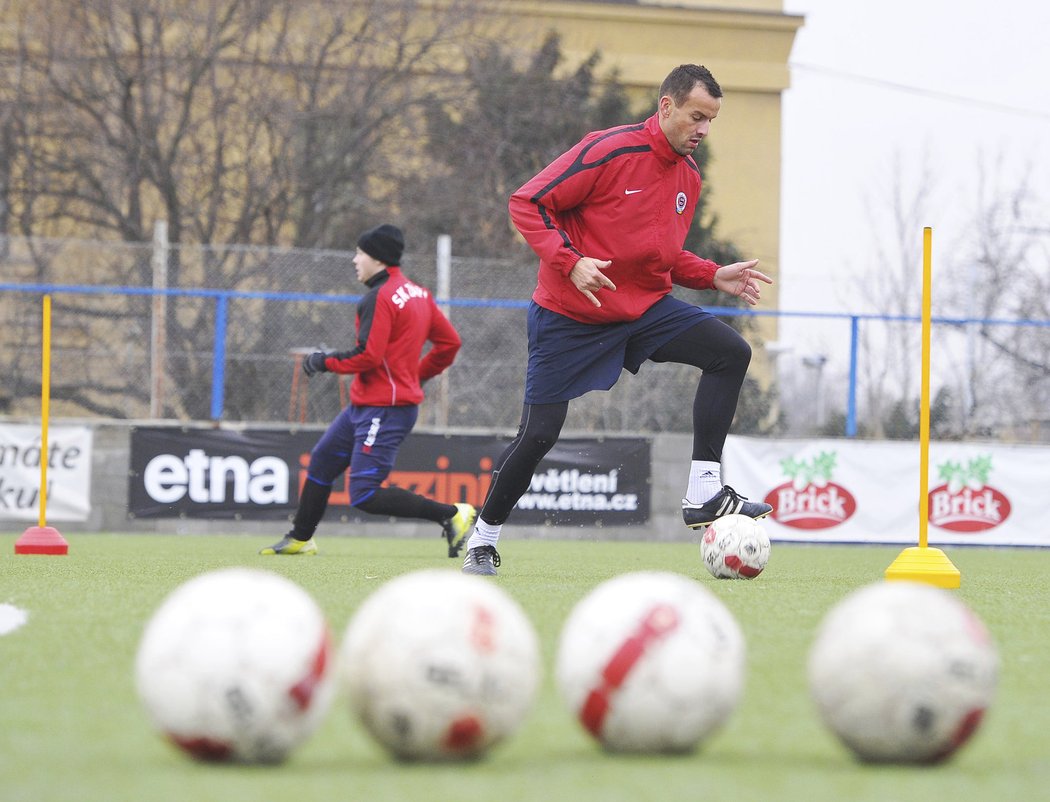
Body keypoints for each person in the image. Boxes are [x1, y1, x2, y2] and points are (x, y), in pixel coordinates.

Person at [461, 64, 773, 576]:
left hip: (642, 309)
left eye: (712, 120)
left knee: (730, 352)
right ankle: (483, 538)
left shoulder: (688, 178)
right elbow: (527, 202)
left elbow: (660, 257)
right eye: (696, 116)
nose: (703, 129)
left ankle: (703, 493)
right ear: (666, 105)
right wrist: (571, 261)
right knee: (539, 433)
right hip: (568, 316)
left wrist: (713, 274)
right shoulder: (609, 149)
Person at [261, 223, 476, 557]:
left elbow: (367, 356)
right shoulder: (418, 293)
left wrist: (323, 362)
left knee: (363, 494)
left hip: (386, 409)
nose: (354, 259)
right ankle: (300, 538)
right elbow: (450, 343)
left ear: (377, 258)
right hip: (369, 404)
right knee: (320, 463)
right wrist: (414, 377)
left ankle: (452, 514)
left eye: (360, 252)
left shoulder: (380, 297)